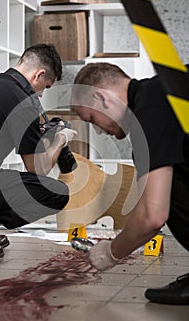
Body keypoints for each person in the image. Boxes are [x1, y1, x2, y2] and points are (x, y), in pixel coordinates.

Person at [71, 62, 189, 305]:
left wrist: (110, 253)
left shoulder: (151, 108)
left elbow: (152, 216)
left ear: (101, 97)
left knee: (164, 186)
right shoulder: (160, 93)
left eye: (91, 118)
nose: (99, 131)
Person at [0, 43, 77, 259]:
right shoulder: (23, 102)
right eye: (45, 87)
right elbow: (37, 169)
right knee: (55, 193)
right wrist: (60, 139)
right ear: (39, 75)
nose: (41, 95)